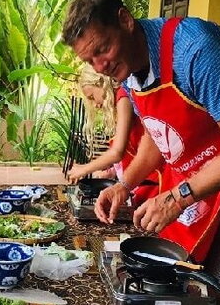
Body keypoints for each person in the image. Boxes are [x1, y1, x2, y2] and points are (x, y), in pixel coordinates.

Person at [62, 0, 220, 305]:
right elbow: (158, 134)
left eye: (103, 49)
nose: (101, 66)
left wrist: (177, 197)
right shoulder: (130, 71)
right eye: (89, 60)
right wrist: (124, 185)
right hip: (200, 176)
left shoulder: (196, 52)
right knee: (185, 277)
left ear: (125, 20)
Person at [67, 65, 161, 206]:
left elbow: (117, 152)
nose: (96, 105)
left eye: (92, 97)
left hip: (154, 181)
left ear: (100, 83)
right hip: (141, 180)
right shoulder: (119, 102)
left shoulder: (123, 98)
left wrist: (84, 168)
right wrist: (110, 173)